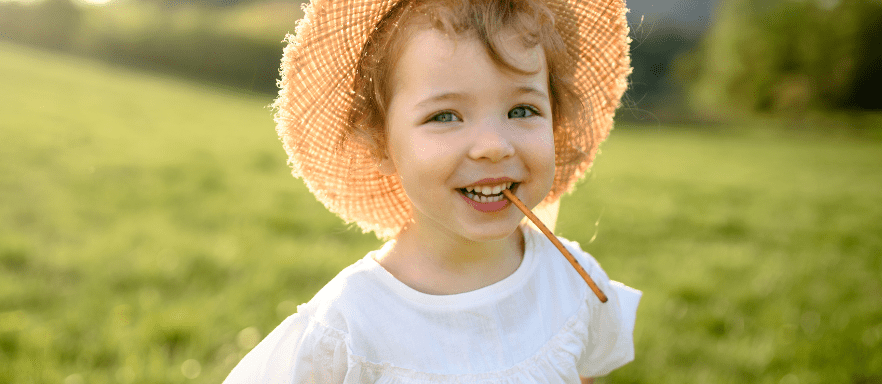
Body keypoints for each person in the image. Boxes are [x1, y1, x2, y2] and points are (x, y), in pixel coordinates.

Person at [224, 0, 640, 382]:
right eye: (445, 115)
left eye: (522, 110)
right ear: (380, 142)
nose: (493, 145)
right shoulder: (347, 329)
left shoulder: (572, 282)